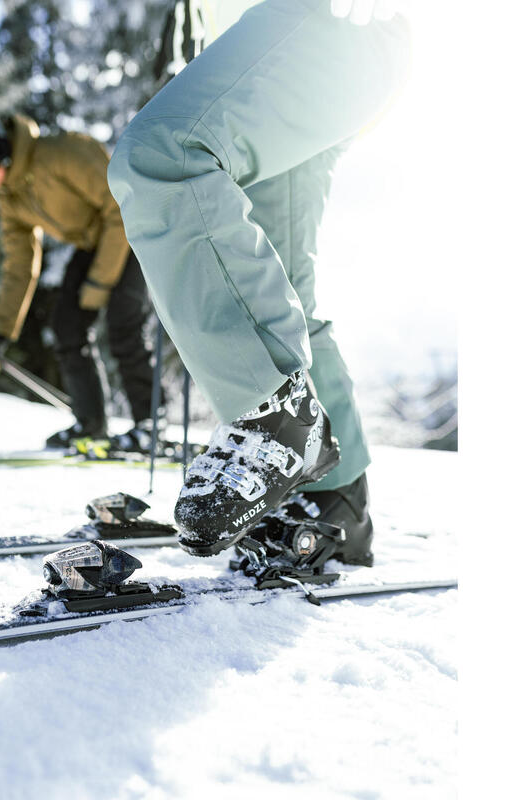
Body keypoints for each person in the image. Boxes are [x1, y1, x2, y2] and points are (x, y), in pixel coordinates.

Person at [107, 0, 410, 560]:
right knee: (279, 285)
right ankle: (336, 503)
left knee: (163, 154)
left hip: (325, 24)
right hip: (284, 43)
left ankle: (274, 417)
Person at [0, 107, 163, 452]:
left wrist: (99, 283)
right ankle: (92, 425)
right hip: (92, 242)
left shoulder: (61, 152)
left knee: (124, 326)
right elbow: (20, 262)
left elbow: (120, 204)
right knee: (67, 328)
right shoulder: (9, 197)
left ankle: (151, 427)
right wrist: (1, 331)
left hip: (133, 228)